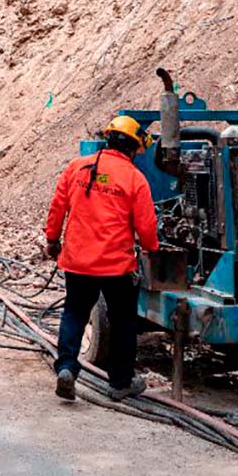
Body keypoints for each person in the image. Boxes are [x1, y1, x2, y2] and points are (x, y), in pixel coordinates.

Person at [43, 115, 160, 401]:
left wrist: (52, 240)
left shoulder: (76, 167)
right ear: (133, 148)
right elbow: (146, 227)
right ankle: (120, 383)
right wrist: (152, 250)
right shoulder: (134, 178)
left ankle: (67, 367)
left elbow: (58, 207)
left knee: (74, 313)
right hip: (115, 265)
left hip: (77, 261)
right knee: (123, 321)